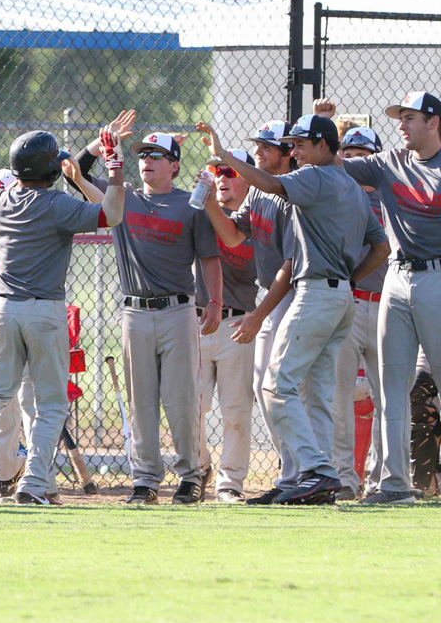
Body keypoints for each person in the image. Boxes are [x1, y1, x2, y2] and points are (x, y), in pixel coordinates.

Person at [0, 126, 125, 505]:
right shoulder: (57, 205)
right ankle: (34, 484)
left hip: (1, 308)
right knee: (50, 403)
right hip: (44, 308)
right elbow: (113, 214)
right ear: (49, 169)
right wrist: (113, 167)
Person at [206, 114, 388, 504]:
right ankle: (314, 480)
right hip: (340, 297)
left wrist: (223, 154)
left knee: (276, 385)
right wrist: (351, 279)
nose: (296, 151)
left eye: (302, 145)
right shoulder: (353, 187)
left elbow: (271, 183)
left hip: (315, 293)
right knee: (318, 396)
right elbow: (381, 248)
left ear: (324, 145)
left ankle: (316, 471)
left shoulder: (315, 175)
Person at [340, 91, 441, 505]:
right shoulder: (388, 161)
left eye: (410, 117)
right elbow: (336, 163)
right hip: (396, 276)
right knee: (393, 386)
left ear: (434, 123)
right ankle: (395, 484)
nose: (402, 124)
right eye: (400, 117)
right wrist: (321, 129)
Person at [73, 116, 222, 505]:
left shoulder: (191, 205)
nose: (147, 161)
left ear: (174, 164)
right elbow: (73, 172)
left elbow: (209, 258)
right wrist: (101, 143)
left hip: (177, 311)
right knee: (141, 402)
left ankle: (191, 475)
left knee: (181, 400)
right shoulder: (122, 197)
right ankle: (145, 479)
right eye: (143, 155)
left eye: (157, 155)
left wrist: (215, 302)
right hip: (135, 313)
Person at [198, 120, 299, 505]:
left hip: (294, 296)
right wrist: (208, 200)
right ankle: (294, 470)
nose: (259, 151)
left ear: (289, 152)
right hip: (273, 302)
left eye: (267, 147)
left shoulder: (293, 192)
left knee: (289, 389)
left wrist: (257, 315)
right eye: (257, 145)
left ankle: (305, 471)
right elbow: (233, 235)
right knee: (267, 388)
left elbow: (289, 265)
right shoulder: (259, 195)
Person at [192, 148, 260, 503]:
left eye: (230, 173)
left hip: (238, 324)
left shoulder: (257, 218)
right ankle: (199, 468)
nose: (221, 179)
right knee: (192, 405)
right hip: (197, 321)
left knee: (236, 411)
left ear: (248, 180)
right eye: (217, 173)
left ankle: (230, 483)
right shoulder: (200, 214)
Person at [334, 126, 388, 496]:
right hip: (351, 302)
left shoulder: (393, 197)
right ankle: (343, 477)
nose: (356, 159)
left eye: (363, 153)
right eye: (349, 153)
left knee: (388, 396)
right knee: (341, 394)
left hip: (387, 304)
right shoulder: (339, 197)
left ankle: (383, 478)